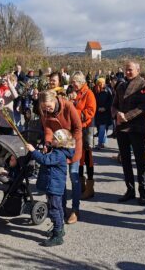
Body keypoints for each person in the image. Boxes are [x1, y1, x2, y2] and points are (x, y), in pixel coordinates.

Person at [39, 90, 83, 226]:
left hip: (72, 147)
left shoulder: (68, 106)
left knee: (74, 178)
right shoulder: (45, 112)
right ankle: (61, 208)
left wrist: (69, 143)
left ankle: (75, 209)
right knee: (60, 180)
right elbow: (48, 129)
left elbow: (78, 128)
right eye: (45, 107)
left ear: (54, 100)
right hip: (58, 149)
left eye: (49, 106)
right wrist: (47, 143)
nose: (47, 109)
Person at [26, 129, 75, 247]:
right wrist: (47, 149)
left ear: (60, 142)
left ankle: (57, 236)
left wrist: (33, 151)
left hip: (54, 187)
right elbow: (49, 157)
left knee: (54, 210)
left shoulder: (58, 154)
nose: (51, 140)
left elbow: (44, 160)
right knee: (58, 208)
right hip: (55, 186)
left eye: (54, 139)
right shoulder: (59, 151)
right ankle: (60, 229)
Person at [112, 61, 145, 205]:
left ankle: (143, 192)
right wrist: (116, 114)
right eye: (126, 70)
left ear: (138, 70)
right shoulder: (121, 86)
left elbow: (144, 106)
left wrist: (126, 116)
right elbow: (114, 104)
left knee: (140, 162)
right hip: (122, 129)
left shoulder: (143, 84)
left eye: (130, 70)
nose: (128, 72)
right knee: (125, 161)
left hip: (136, 128)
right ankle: (130, 190)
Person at [70, 71, 97, 204]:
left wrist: (75, 112)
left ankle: (90, 187)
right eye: (72, 82)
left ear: (81, 81)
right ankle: (81, 185)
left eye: (74, 81)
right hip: (77, 129)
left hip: (86, 128)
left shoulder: (89, 93)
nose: (72, 84)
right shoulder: (76, 93)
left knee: (87, 157)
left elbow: (91, 111)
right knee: (78, 157)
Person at [93, 78, 112, 150]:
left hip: (106, 113)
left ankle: (100, 143)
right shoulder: (95, 90)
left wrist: (105, 108)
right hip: (98, 112)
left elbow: (110, 101)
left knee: (102, 128)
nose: (100, 85)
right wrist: (97, 108)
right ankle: (103, 142)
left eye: (101, 83)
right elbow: (93, 101)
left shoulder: (108, 91)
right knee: (100, 128)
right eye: (99, 83)